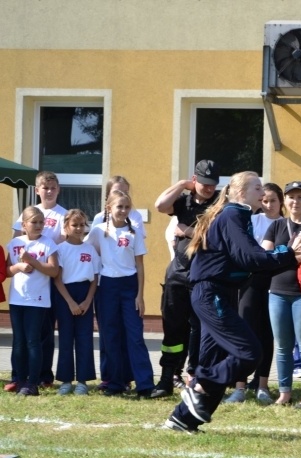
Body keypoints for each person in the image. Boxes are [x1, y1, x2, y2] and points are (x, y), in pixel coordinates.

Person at [164, 172, 301, 433]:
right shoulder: (233, 215)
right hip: (212, 294)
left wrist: (290, 255)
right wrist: (289, 253)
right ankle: (197, 387)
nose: (263, 192)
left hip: (216, 294)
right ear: (242, 193)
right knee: (249, 353)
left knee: (214, 360)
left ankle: (182, 419)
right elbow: (250, 258)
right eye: (257, 187)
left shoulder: (238, 215)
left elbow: (250, 262)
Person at [150, 160, 220, 398]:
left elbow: (217, 240)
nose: (208, 188)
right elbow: (160, 205)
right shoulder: (184, 200)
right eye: (203, 183)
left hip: (204, 276)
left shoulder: (221, 203)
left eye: (212, 184)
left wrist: (187, 231)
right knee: (173, 330)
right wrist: (181, 184)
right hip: (178, 276)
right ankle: (167, 377)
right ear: (194, 180)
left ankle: (197, 378)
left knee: (201, 330)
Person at [86, 190, 154, 397]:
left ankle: (145, 384)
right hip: (106, 287)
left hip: (129, 287)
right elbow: (92, 252)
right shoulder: (98, 231)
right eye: (119, 207)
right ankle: (116, 383)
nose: (123, 211)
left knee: (134, 336)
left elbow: (140, 266)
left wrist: (140, 296)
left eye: (126, 207)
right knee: (110, 336)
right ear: (109, 209)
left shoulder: (133, 233)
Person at [264, 181, 301, 409]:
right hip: (277, 293)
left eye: (300, 197)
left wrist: (284, 255)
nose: (295, 201)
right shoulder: (277, 225)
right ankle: (284, 393)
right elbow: (265, 255)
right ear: (285, 200)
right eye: (291, 197)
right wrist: (288, 253)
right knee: (282, 346)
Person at [224, 182, 284, 404]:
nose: (268, 205)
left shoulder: (284, 225)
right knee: (244, 330)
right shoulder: (252, 220)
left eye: (273, 201)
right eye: (264, 200)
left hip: (274, 283)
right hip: (250, 282)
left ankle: (262, 385)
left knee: (266, 334)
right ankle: (240, 387)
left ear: (281, 202)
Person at [11, 170, 66, 390]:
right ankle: (19, 375)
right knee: (23, 336)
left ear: (58, 189)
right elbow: (16, 242)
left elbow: (63, 242)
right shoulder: (26, 214)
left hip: (50, 273)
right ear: (37, 190)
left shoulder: (63, 213)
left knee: (44, 330)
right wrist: (19, 265)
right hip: (26, 278)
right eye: (45, 188)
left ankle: (43, 375)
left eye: (53, 188)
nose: (50, 191)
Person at [6, 206, 58, 396]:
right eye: (33, 222)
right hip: (17, 299)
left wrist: (33, 261)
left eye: (41, 222)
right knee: (19, 341)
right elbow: (7, 271)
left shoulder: (48, 244)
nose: (38, 225)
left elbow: (54, 271)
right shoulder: (14, 243)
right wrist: (19, 265)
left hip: (37, 301)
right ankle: (19, 379)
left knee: (33, 341)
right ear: (24, 225)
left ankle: (33, 383)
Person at [54, 209, 100, 396]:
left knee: (84, 338)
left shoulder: (89, 249)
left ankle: (82, 380)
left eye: (82, 225)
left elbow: (95, 278)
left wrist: (88, 301)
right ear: (66, 227)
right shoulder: (60, 250)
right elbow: (57, 279)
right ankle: (65, 380)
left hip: (85, 295)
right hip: (65, 295)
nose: (79, 228)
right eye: (75, 225)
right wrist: (70, 302)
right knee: (66, 338)